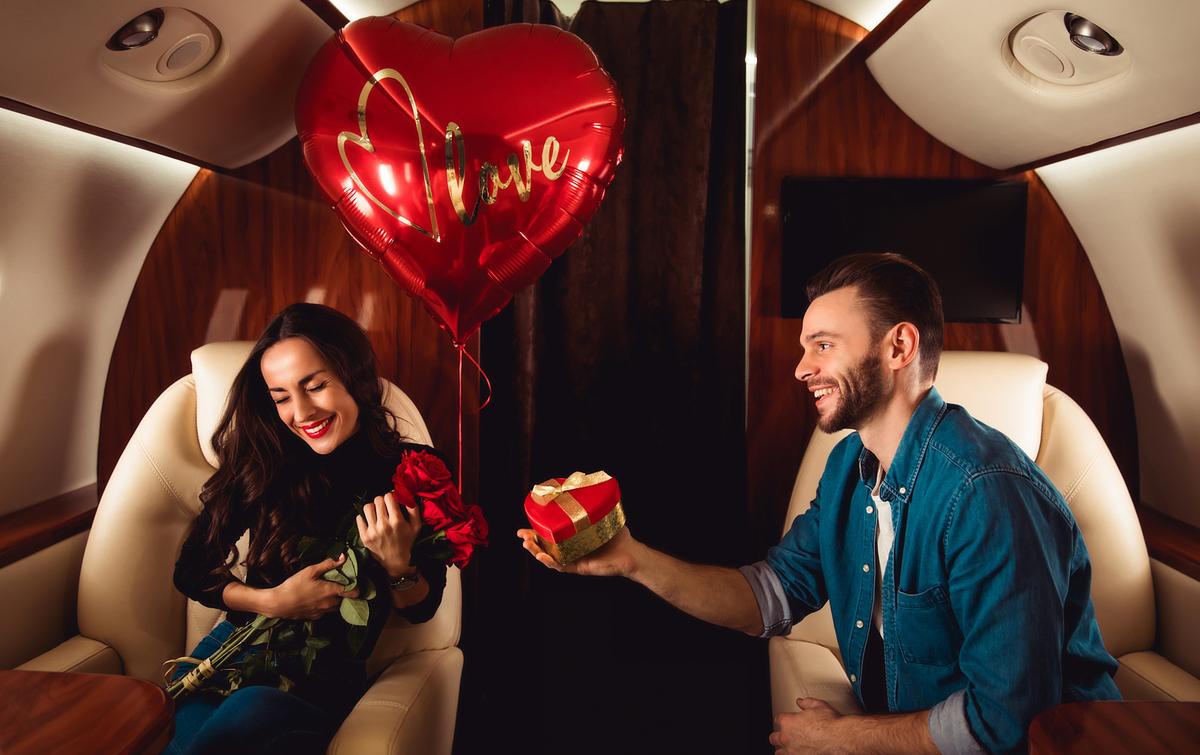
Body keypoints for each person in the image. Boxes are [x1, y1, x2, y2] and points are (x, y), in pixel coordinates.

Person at [518, 253, 1120, 754]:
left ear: (899, 346)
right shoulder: (849, 469)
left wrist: (844, 738)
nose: (803, 367)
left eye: (824, 345)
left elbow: (1009, 720)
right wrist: (632, 559)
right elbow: (770, 597)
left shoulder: (986, 492)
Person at [169, 303, 447, 755]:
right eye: (280, 397)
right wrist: (273, 601)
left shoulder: (415, 470)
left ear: (353, 377)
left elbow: (422, 607)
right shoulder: (265, 460)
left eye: (315, 386)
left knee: (248, 713)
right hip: (226, 653)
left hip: (315, 684)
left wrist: (399, 564)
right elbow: (191, 568)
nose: (301, 412)